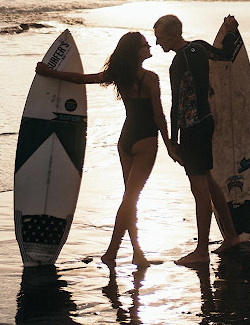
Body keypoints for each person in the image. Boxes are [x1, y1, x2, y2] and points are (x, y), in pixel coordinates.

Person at [35, 30, 173, 269]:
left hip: (126, 139)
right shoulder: (150, 78)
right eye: (144, 44)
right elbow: (159, 116)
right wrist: (171, 145)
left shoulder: (118, 74)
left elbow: (82, 79)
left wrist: (50, 73)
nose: (149, 46)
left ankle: (136, 252)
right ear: (135, 51)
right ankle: (111, 252)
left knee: (129, 199)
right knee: (130, 199)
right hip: (145, 141)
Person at [153, 13, 242, 266]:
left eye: (160, 37)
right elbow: (225, 54)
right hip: (206, 121)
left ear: (173, 34)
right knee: (209, 182)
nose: (158, 43)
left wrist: (172, 141)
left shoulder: (178, 63)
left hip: (192, 128)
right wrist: (230, 30)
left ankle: (202, 251)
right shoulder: (200, 48)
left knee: (199, 189)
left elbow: (176, 105)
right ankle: (232, 237)